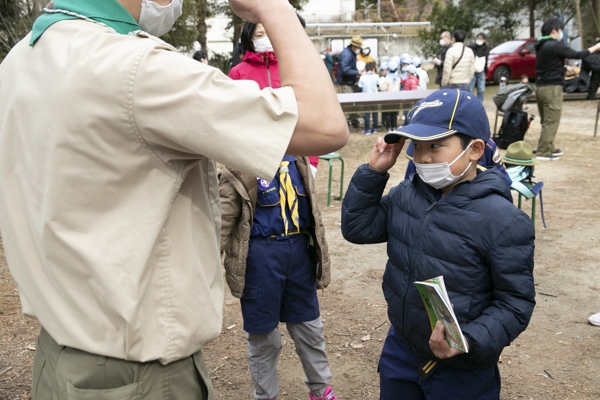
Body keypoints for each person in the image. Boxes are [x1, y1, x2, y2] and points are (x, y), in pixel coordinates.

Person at [0, 0, 349, 398]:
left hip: (59, 359)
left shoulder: (21, 58)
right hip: (139, 377)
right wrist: (277, 10)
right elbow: (323, 125)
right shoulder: (137, 68)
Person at [341, 89, 535, 400]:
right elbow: (358, 228)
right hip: (401, 349)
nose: (423, 157)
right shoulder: (407, 194)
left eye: (435, 146)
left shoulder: (502, 220)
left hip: (462, 369)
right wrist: (375, 171)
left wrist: (466, 340)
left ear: (474, 149)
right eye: (417, 147)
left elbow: (515, 304)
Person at [224, 24, 336, 400]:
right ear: (247, 35)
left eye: (269, 27)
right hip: (261, 249)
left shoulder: (299, 68)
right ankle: (264, 396)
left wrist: (313, 159)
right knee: (263, 336)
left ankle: (321, 390)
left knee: (309, 326)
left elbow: (317, 119)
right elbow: (228, 123)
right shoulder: (239, 74)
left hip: (297, 246)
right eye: (257, 29)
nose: (266, 33)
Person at [534, 17, 600, 160]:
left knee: (547, 119)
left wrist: (566, 67)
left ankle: (550, 146)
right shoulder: (554, 44)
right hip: (552, 88)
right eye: (560, 30)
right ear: (554, 31)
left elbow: (547, 63)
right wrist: (595, 48)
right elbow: (576, 54)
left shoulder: (540, 44)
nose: (561, 33)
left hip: (541, 87)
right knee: (552, 120)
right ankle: (543, 152)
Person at [336, 35, 364, 130]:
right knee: (347, 106)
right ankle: (347, 125)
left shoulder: (351, 53)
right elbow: (344, 69)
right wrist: (357, 73)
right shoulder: (347, 55)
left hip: (349, 82)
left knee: (351, 104)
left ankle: (352, 123)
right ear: (355, 46)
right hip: (345, 84)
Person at [359, 61, 380, 135]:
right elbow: (378, 85)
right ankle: (374, 128)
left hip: (366, 97)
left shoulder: (362, 77)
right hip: (375, 97)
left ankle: (367, 129)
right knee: (375, 113)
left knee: (367, 114)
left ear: (366, 68)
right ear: (373, 68)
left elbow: (360, 87)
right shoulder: (376, 76)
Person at [468, 33, 490, 101]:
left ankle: (479, 104)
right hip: (472, 71)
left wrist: (486, 71)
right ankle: (469, 103)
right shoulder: (471, 47)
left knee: (481, 90)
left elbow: (486, 60)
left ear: (484, 40)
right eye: (478, 38)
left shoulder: (486, 48)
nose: (479, 40)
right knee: (470, 90)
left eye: (481, 39)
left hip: (481, 71)